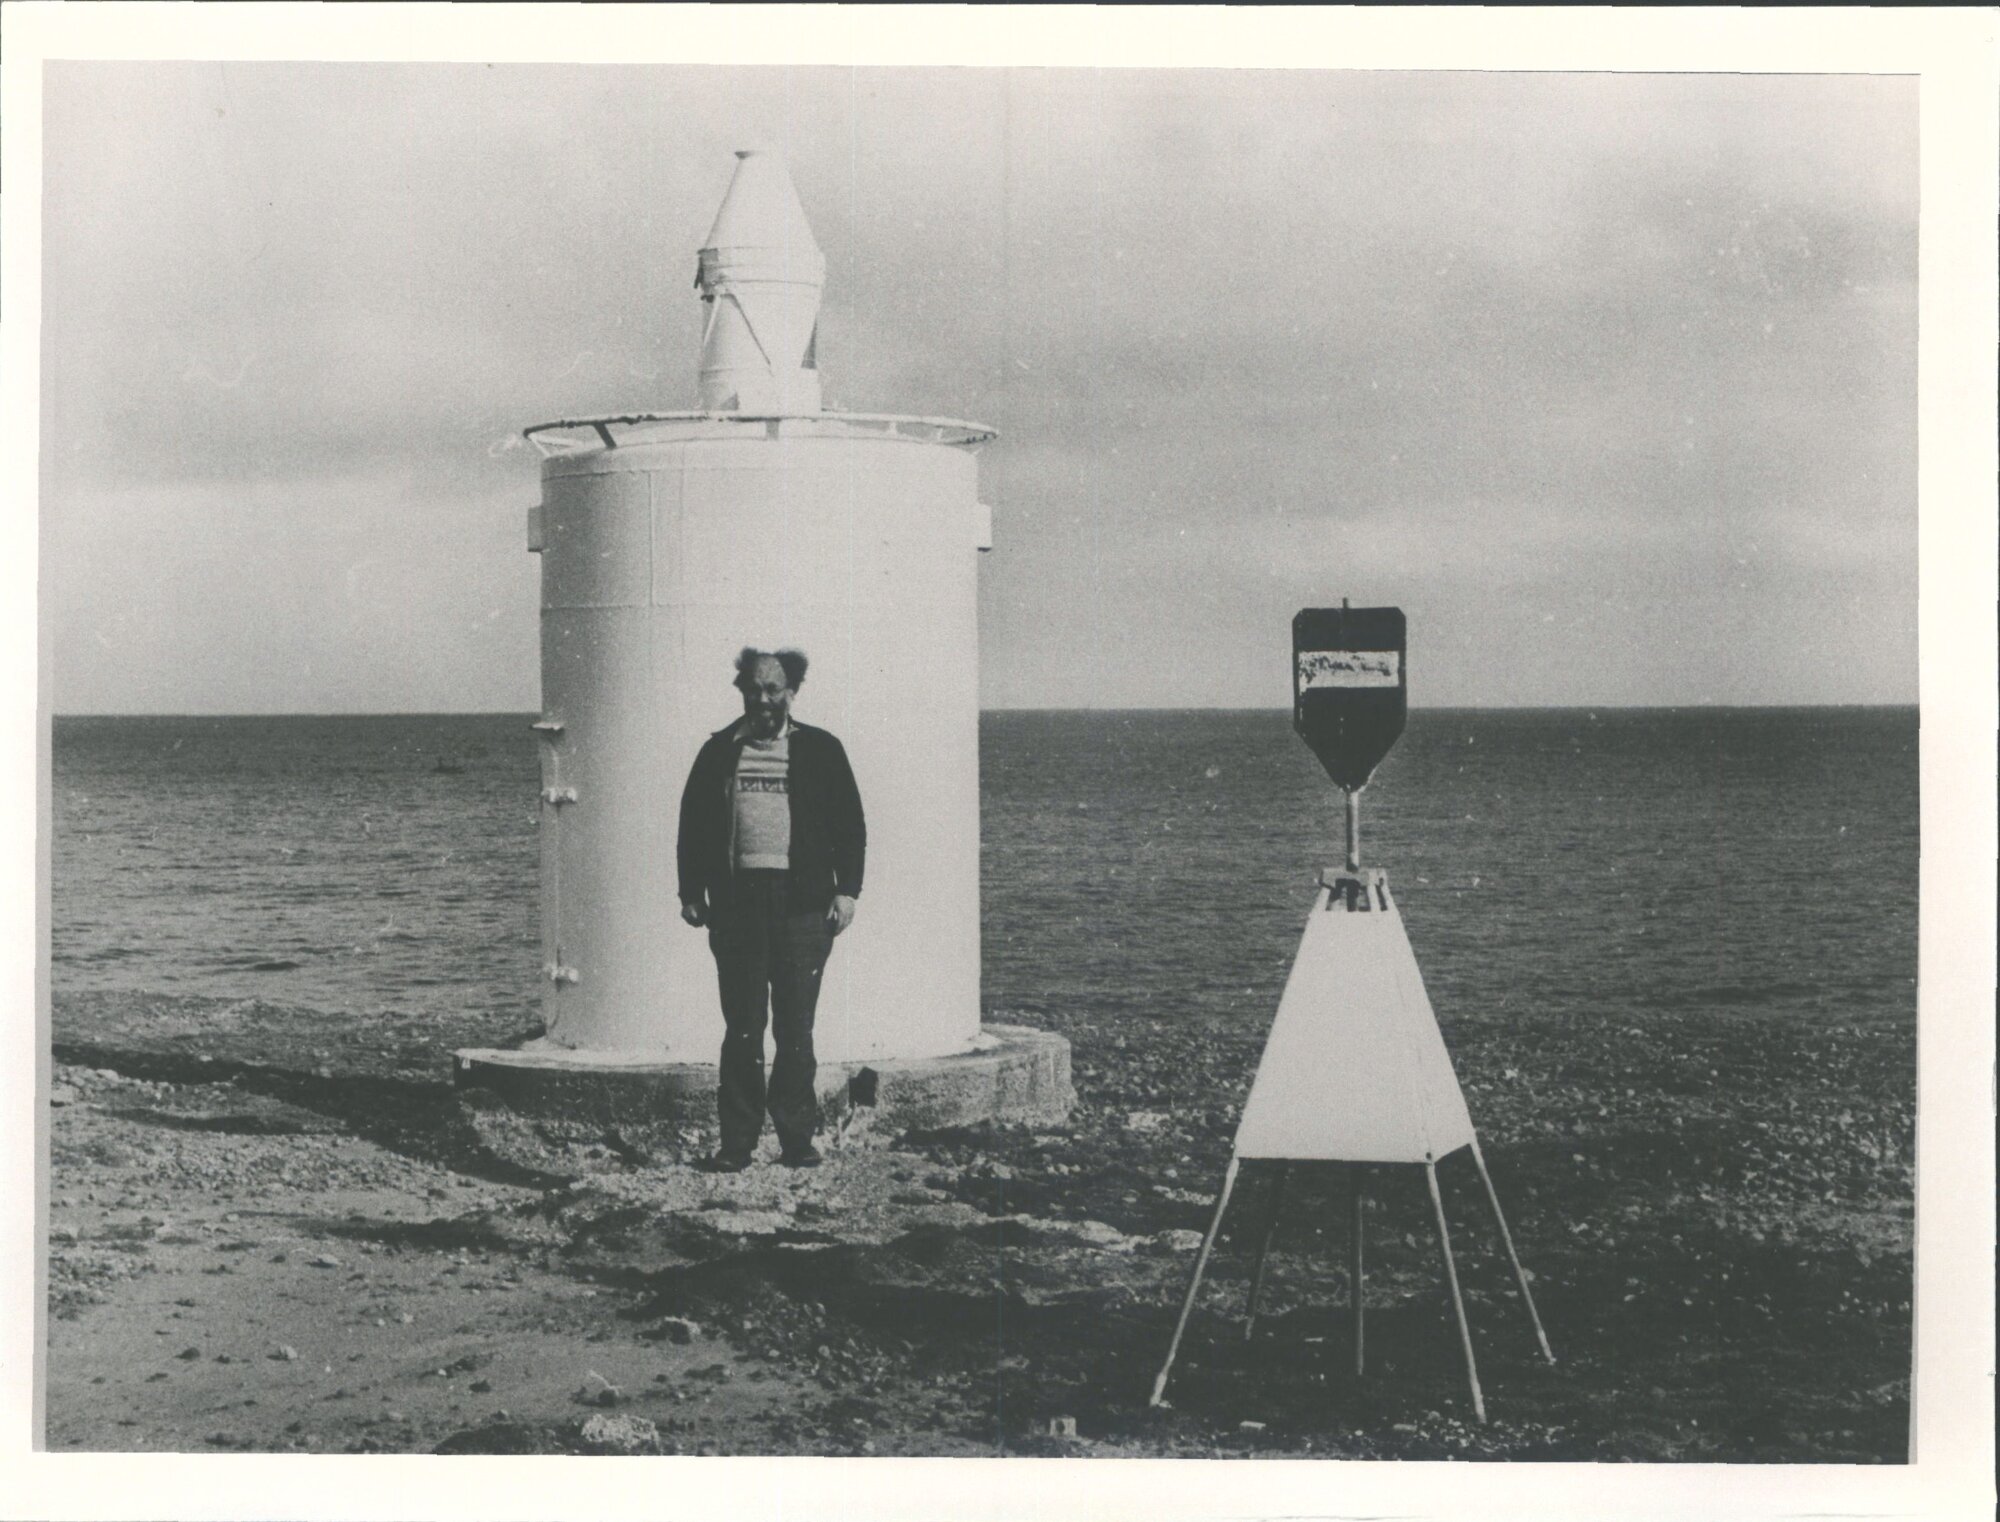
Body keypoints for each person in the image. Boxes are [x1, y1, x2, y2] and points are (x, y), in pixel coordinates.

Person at [677, 647, 864, 1171]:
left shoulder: (823, 750)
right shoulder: (717, 751)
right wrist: (691, 892)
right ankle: (736, 1145)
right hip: (736, 907)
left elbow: (851, 826)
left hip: (802, 907)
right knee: (742, 1027)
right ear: (741, 690)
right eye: (754, 688)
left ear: (791, 692)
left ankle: (797, 1141)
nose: (763, 698)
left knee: (795, 1030)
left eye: (774, 689)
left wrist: (847, 891)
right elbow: (692, 823)